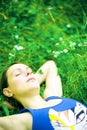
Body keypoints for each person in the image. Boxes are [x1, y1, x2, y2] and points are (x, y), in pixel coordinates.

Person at [0, 60, 87, 130]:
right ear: (8, 92)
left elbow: (50, 65)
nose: (28, 73)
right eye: (18, 74)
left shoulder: (53, 95)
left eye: (29, 71)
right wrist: (3, 103)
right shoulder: (23, 120)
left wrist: (31, 79)